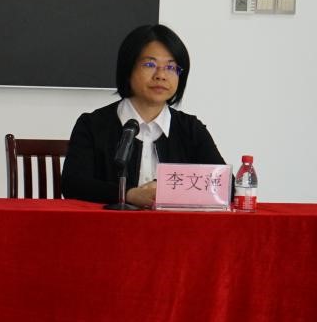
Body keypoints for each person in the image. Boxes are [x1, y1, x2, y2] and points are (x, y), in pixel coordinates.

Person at [60, 24, 224, 207]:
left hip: (174, 225)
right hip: (111, 224)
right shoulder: (93, 125)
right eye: (150, 64)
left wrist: (167, 189)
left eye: (171, 67)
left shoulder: (191, 129)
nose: (161, 75)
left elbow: (225, 185)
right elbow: (73, 184)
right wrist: (128, 194)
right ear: (128, 70)